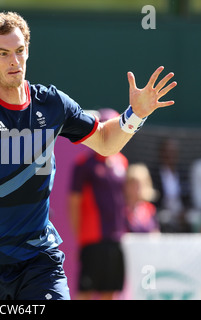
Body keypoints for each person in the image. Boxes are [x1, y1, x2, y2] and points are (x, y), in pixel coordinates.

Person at [0, 11, 177, 300]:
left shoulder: (52, 104)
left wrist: (135, 114)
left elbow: (105, 141)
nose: (15, 61)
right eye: (3, 53)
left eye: (20, 51)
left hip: (38, 259)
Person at [68, 108, 128, 300]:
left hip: (117, 239)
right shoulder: (84, 164)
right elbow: (73, 204)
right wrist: (81, 237)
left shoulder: (122, 162)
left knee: (110, 291)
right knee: (85, 292)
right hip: (92, 239)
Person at [151, 137, 190, 232]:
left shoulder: (182, 172)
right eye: (167, 152)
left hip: (181, 212)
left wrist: (184, 210)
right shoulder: (154, 173)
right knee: (164, 219)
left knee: (193, 218)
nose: (170, 155)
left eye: (173, 152)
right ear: (161, 153)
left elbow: (188, 195)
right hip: (162, 211)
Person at [124, 163, 159, 233]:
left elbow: (155, 232)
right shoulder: (121, 210)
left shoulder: (149, 209)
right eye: (133, 184)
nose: (137, 189)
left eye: (140, 184)